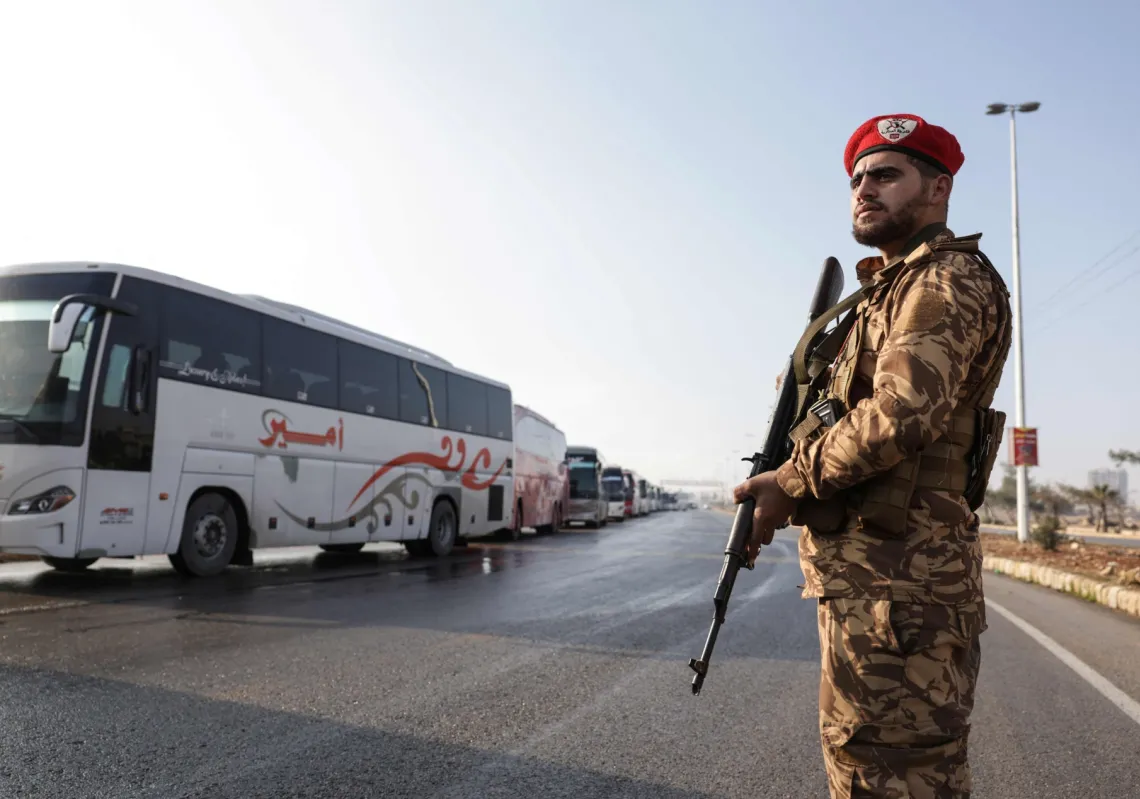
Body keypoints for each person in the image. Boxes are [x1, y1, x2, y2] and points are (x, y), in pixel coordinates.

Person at [733, 113, 1013, 797]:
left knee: (896, 777)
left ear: (938, 189)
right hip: (874, 589)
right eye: (858, 178)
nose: (864, 188)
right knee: (863, 767)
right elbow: (836, 415)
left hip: (906, 592)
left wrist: (792, 481)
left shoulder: (946, 281)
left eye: (886, 174)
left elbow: (900, 414)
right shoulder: (879, 297)